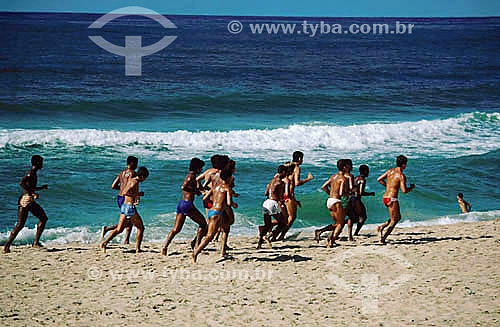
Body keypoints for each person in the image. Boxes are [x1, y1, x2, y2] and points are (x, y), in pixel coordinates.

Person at [161, 158, 208, 256]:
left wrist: (199, 191)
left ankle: (165, 247)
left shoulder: (192, 176)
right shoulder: (191, 177)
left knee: (176, 229)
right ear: (197, 168)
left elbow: (194, 188)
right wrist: (195, 192)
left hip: (181, 204)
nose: (202, 170)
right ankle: (196, 245)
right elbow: (183, 187)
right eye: (201, 168)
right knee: (203, 225)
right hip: (188, 205)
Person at [4, 155, 49, 253]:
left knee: (37, 220)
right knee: (40, 219)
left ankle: (8, 246)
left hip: (28, 200)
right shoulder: (31, 173)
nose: (42, 164)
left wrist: (41, 188)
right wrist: (32, 193)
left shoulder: (33, 173)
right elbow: (22, 183)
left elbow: (30, 186)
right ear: (37, 163)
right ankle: (7, 246)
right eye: (41, 162)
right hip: (26, 200)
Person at [192, 167, 237, 263]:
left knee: (226, 228)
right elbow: (228, 203)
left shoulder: (215, 187)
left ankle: (223, 252)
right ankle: (196, 252)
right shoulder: (227, 188)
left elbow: (205, 198)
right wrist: (234, 204)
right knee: (209, 236)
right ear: (229, 178)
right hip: (217, 213)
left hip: (212, 211)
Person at [101, 166, 149, 254]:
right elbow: (125, 192)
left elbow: (126, 191)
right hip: (130, 208)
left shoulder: (132, 180)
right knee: (141, 228)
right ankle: (138, 249)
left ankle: (105, 243)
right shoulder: (134, 182)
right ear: (142, 176)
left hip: (124, 206)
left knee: (119, 229)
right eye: (145, 178)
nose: (144, 180)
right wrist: (138, 194)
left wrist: (135, 196)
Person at [376, 155, 415, 244]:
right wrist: (411, 188)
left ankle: (381, 227)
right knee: (394, 220)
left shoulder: (390, 171)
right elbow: (404, 191)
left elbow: (379, 179)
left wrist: (388, 186)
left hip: (385, 197)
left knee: (396, 217)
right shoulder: (401, 176)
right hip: (392, 199)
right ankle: (382, 238)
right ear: (404, 165)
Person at [100, 156, 137, 244]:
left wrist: (121, 189)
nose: (136, 166)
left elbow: (113, 186)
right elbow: (132, 187)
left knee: (128, 219)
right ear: (132, 163)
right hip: (127, 198)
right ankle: (111, 230)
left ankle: (126, 240)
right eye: (136, 164)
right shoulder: (133, 173)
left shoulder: (121, 173)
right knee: (129, 219)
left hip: (119, 198)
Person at [319, 159, 350, 247]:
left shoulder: (333, 177)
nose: (349, 168)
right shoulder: (343, 179)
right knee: (340, 223)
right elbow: (341, 193)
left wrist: (331, 194)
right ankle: (331, 242)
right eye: (348, 166)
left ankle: (322, 232)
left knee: (336, 223)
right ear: (344, 167)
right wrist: (347, 194)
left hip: (330, 200)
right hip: (336, 201)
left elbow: (323, 186)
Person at [257, 165, 288, 249]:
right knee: (283, 223)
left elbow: (266, 193)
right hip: (273, 203)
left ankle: (260, 243)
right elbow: (281, 196)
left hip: (266, 202)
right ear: (283, 172)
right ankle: (269, 236)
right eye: (286, 173)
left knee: (267, 225)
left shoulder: (271, 181)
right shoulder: (281, 183)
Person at [347, 164, 376, 240]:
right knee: (363, 217)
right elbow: (361, 192)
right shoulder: (362, 180)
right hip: (356, 200)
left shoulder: (355, 178)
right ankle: (356, 232)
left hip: (350, 198)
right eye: (368, 171)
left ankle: (349, 234)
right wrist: (370, 193)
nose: (368, 173)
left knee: (351, 217)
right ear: (365, 171)